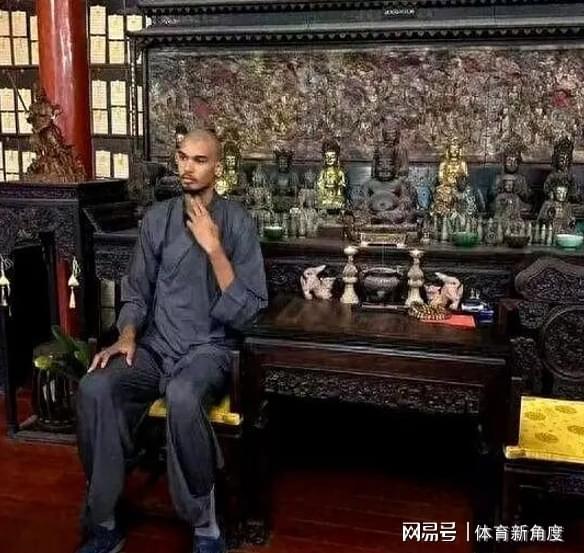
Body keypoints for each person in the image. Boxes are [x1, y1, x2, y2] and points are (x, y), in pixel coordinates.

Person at [76, 129, 268, 553]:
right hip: (156, 347)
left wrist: (214, 249)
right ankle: (104, 518)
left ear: (218, 167)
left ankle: (205, 526)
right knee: (95, 387)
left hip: (209, 350)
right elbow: (137, 292)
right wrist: (127, 335)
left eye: (200, 160)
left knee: (183, 395)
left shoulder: (237, 221)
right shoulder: (157, 219)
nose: (188, 167)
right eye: (182, 157)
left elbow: (249, 310)